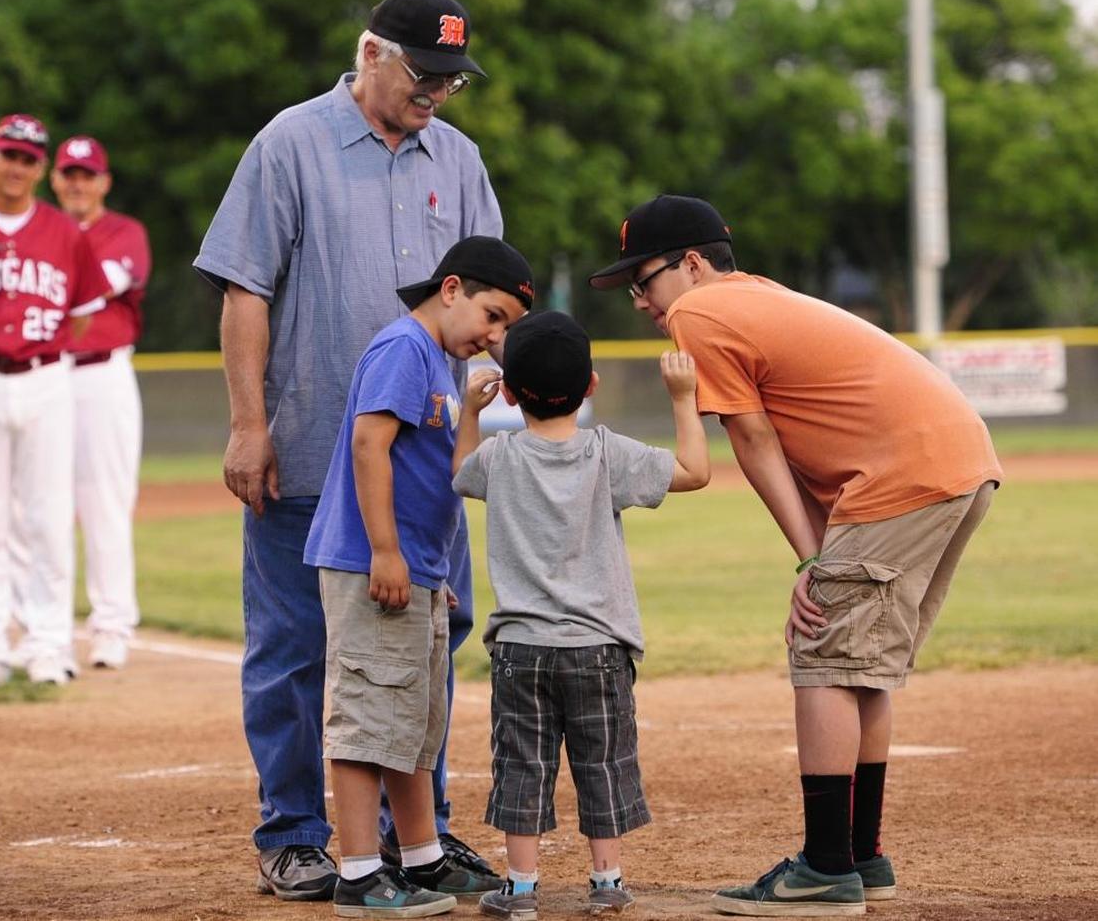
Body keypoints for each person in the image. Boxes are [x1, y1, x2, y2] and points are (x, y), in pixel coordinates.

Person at [590, 195, 1002, 917]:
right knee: (859, 664)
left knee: (825, 655)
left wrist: (813, 559)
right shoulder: (758, 298)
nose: (642, 300)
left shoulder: (700, 312)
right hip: (956, 461)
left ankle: (825, 868)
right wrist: (821, 554)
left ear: (692, 263)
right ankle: (860, 857)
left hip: (905, 474)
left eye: (645, 279)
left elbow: (751, 440)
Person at [193, 0, 503, 900]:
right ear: (371, 51)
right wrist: (250, 425)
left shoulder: (461, 158)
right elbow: (245, 288)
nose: (438, 92)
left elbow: (491, 306)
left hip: (428, 469)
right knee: (295, 648)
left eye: (452, 78)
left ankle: (423, 838)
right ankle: (294, 833)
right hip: (315, 444)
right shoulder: (289, 143)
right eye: (424, 72)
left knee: (431, 644)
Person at [451, 310, 710, 920]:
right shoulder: (606, 452)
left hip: (520, 648)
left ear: (509, 393)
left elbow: (458, 470)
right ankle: (607, 881)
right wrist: (684, 397)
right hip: (598, 646)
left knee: (522, 766)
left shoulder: (499, 456)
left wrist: (467, 411)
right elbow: (696, 471)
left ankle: (519, 889)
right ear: (590, 385)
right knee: (604, 761)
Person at [304, 236, 534, 917]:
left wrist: (430, 569)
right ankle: (358, 873)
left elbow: (443, 474)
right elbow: (368, 443)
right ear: (453, 287)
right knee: (368, 718)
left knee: (412, 722)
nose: (494, 336)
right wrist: (386, 550)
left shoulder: (439, 362)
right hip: (370, 563)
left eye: (508, 330)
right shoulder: (404, 348)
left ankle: (423, 857)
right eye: (492, 316)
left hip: (419, 571)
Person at [0, 114, 109, 688]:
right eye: (9, 155)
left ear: (40, 168)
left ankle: (49, 644)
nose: (18, 167)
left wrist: (39, 355)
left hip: (48, 380)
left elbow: (82, 314)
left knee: (48, 518)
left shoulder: (63, 232)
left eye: (28, 159)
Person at [50, 135, 152, 670]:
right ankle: (51, 631)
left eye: (87, 174)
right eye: (69, 173)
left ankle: (111, 625)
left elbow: (92, 286)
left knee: (104, 502)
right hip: (46, 377)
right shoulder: (42, 230)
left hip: (102, 375)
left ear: (104, 182)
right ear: (55, 179)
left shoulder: (124, 232)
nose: (78, 183)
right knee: (45, 507)